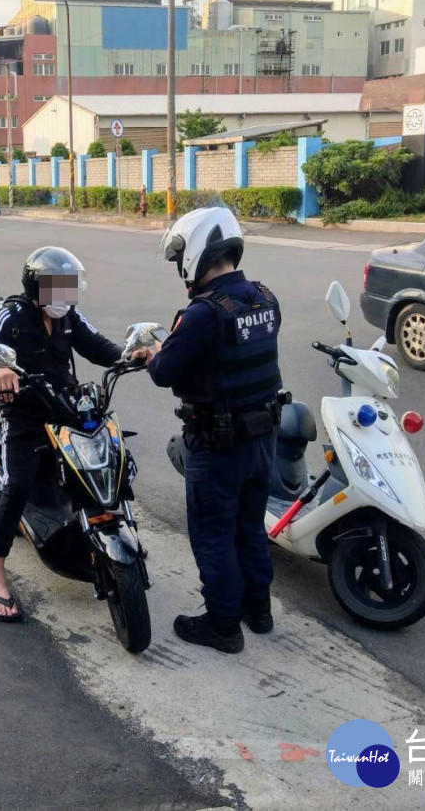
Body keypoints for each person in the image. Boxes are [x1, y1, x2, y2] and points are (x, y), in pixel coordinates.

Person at [0, 246, 152, 622]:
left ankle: (113, 528)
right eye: (57, 289)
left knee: (115, 459)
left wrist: (128, 355)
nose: (64, 298)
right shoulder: (11, 315)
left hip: (67, 406)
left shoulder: (69, 316)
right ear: (36, 287)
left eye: (69, 289)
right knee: (17, 487)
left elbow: (97, 346)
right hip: (23, 413)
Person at [147, 206, 284, 654]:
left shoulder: (204, 313)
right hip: (264, 439)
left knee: (213, 534)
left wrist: (152, 352)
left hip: (218, 445)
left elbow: (165, 371)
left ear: (198, 252)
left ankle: (223, 625)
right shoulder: (265, 298)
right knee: (249, 527)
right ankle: (257, 610)